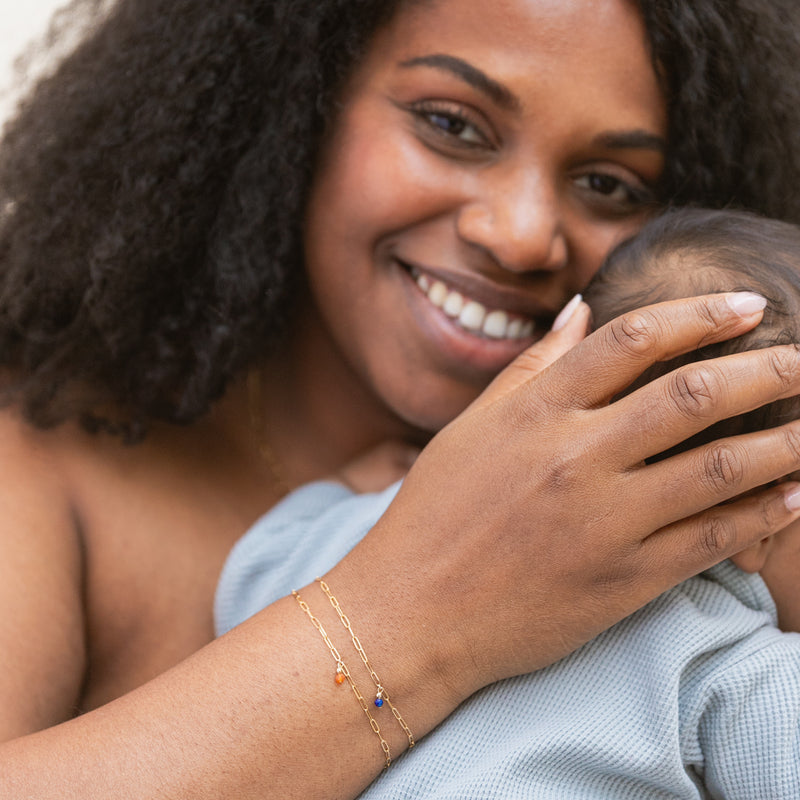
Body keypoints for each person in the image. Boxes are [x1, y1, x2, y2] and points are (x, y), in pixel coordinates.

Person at [2, 1, 800, 797]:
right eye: (452, 125)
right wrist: (419, 605)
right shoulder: (42, 463)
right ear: (292, 106)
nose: (520, 233)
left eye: (608, 183)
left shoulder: (715, 565)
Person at [216, 206, 800, 797]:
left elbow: (252, 575)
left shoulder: (397, 527)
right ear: (753, 527)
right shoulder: (736, 662)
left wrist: (347, 491)